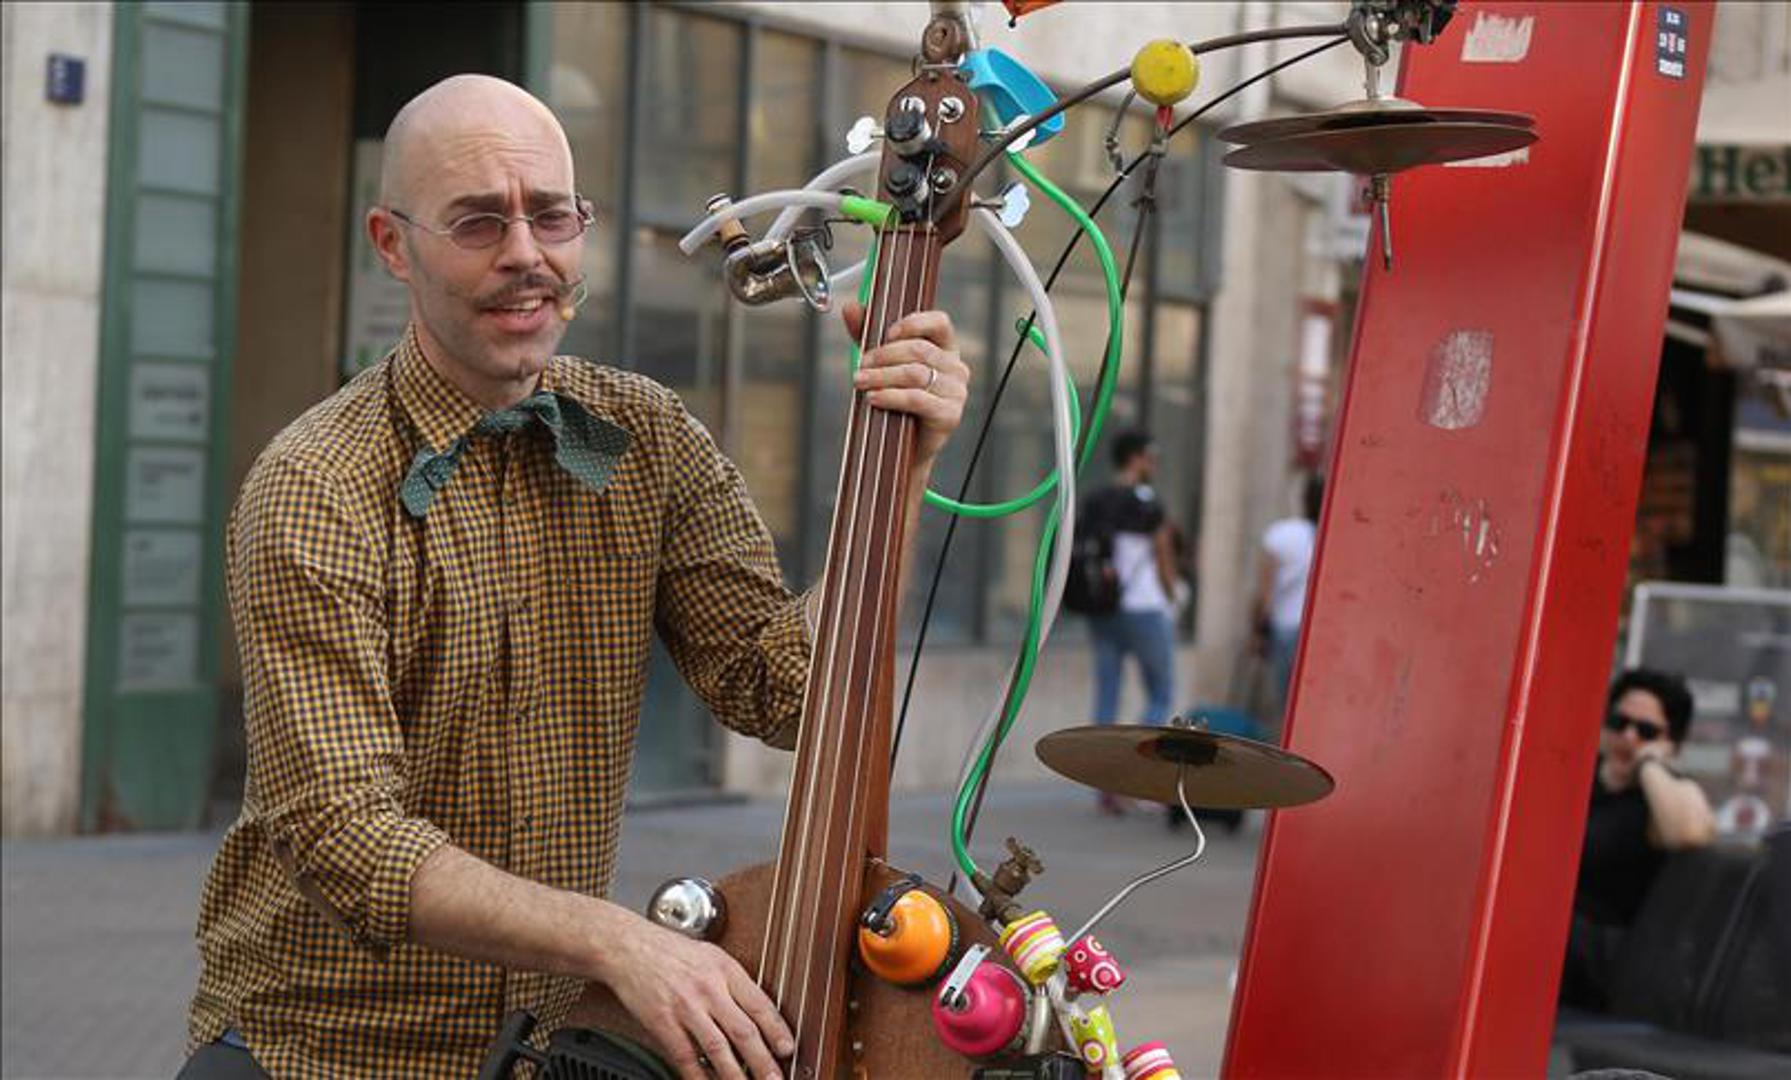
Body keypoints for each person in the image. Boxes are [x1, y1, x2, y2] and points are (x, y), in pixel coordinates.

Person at [180, 75, 969, 1080]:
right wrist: (616, 942)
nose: (526, 253)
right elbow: (347, 837)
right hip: (319, 1055)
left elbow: (782, 693)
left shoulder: (649, 435)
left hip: (540, 1052)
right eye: (478, 222)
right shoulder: (316, 484)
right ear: (392, 244)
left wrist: (901, 469)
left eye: (552, 216)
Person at [1559, 668, 1716, 1012]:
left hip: (1601, 960)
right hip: (1549, 941)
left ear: (1672, 742)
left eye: (1646, 731)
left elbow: (1690, 831)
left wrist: (1649, 764)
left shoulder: (1660, 796)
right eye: (1619, 722)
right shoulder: (1575, 778)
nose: (1628, 736)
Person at [1081, 430, 1180, 816]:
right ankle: (1133, 777)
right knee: (1161, 692)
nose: (1154, 464)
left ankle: (1104, 784)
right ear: (1135, 458)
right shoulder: (1147, 501)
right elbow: (1163, 555)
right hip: (1144, 608)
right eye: (1151, 456)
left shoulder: (1097, 500)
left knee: (1107, 693)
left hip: (1103, 608)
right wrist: (1173, 596)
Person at [1251, 474, 1322, 721]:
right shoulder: (1333, 536)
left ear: (1303, 499)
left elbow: (1264, 590)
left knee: (1287, 705)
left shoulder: (1281, 534)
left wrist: (1257, 631)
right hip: (1316, 631)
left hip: (1284, 628)